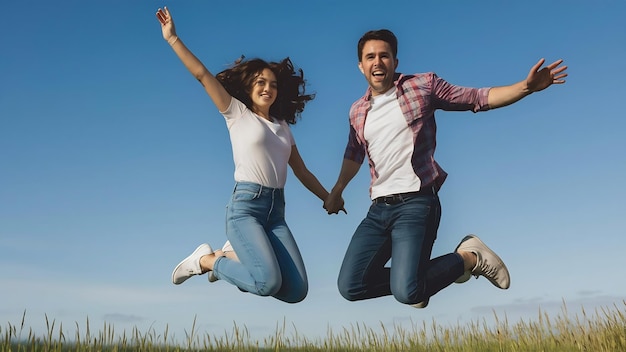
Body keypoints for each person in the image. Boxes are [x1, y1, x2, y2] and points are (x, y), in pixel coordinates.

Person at [324, 29, 567, 308]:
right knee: (351, 285)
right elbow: (353, 152)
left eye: (384, 56)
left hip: (416, 204)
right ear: (361, 65)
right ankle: (417, 282)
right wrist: (338, 189)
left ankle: (469, 257)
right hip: (378, 209)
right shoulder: (357, 110)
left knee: (408, 293)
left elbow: (477, 98)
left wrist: (525, 87)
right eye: (370, 57)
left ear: (395, 61)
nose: (377, 62)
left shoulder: (423, 86)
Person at [156, 6, 330, 303]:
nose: (267, 88)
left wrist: (327, 197)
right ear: (249, 86)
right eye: (261, 82)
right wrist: (173, 38)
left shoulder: (283, 127)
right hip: (246, 208)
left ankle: (231, 257)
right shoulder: (236, 112)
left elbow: (302, 171)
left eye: (273, 84)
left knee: (296, 291)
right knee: (267, 283)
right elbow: (201, 75)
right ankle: (207, 261)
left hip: (276, 213)